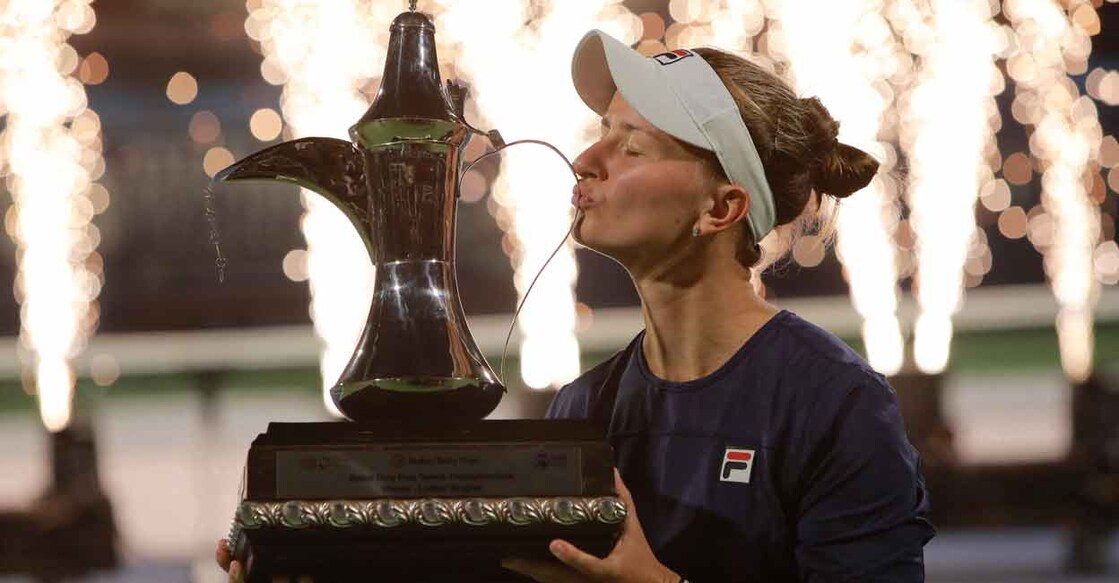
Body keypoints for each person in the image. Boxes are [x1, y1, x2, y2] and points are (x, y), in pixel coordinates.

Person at [218, 29, 934, 583]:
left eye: (632, 145)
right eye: (601, 133)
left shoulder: (834, 405)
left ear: (721, 207)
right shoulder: (581, 412)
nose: (587, 160)